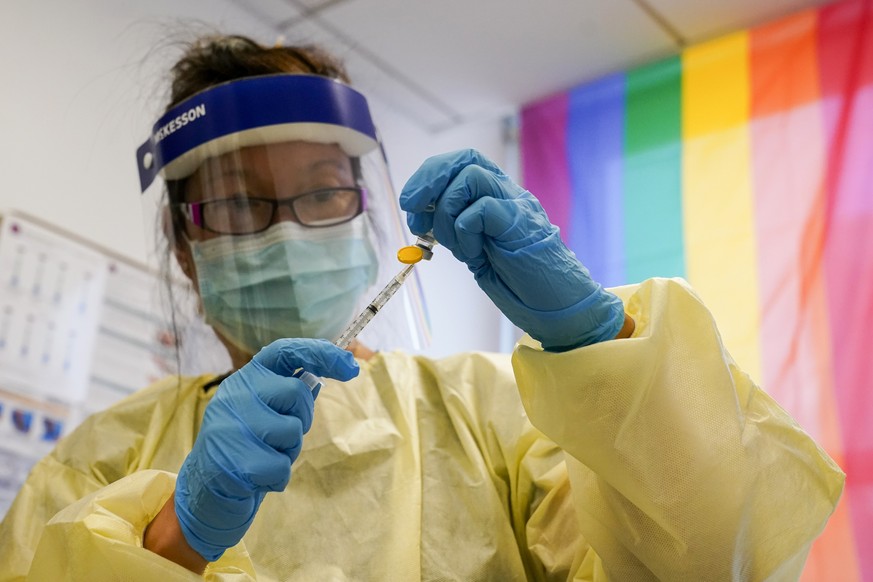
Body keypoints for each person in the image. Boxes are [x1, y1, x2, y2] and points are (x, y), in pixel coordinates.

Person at [0, 34, 844, 581]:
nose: (286, 233)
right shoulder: (95, 468)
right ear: (187, 251)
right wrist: (169, 543)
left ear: (363, 216)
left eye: (322, 194)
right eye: (235, 204)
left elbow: (722, 563)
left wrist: (605, 350)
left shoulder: (498, 419)